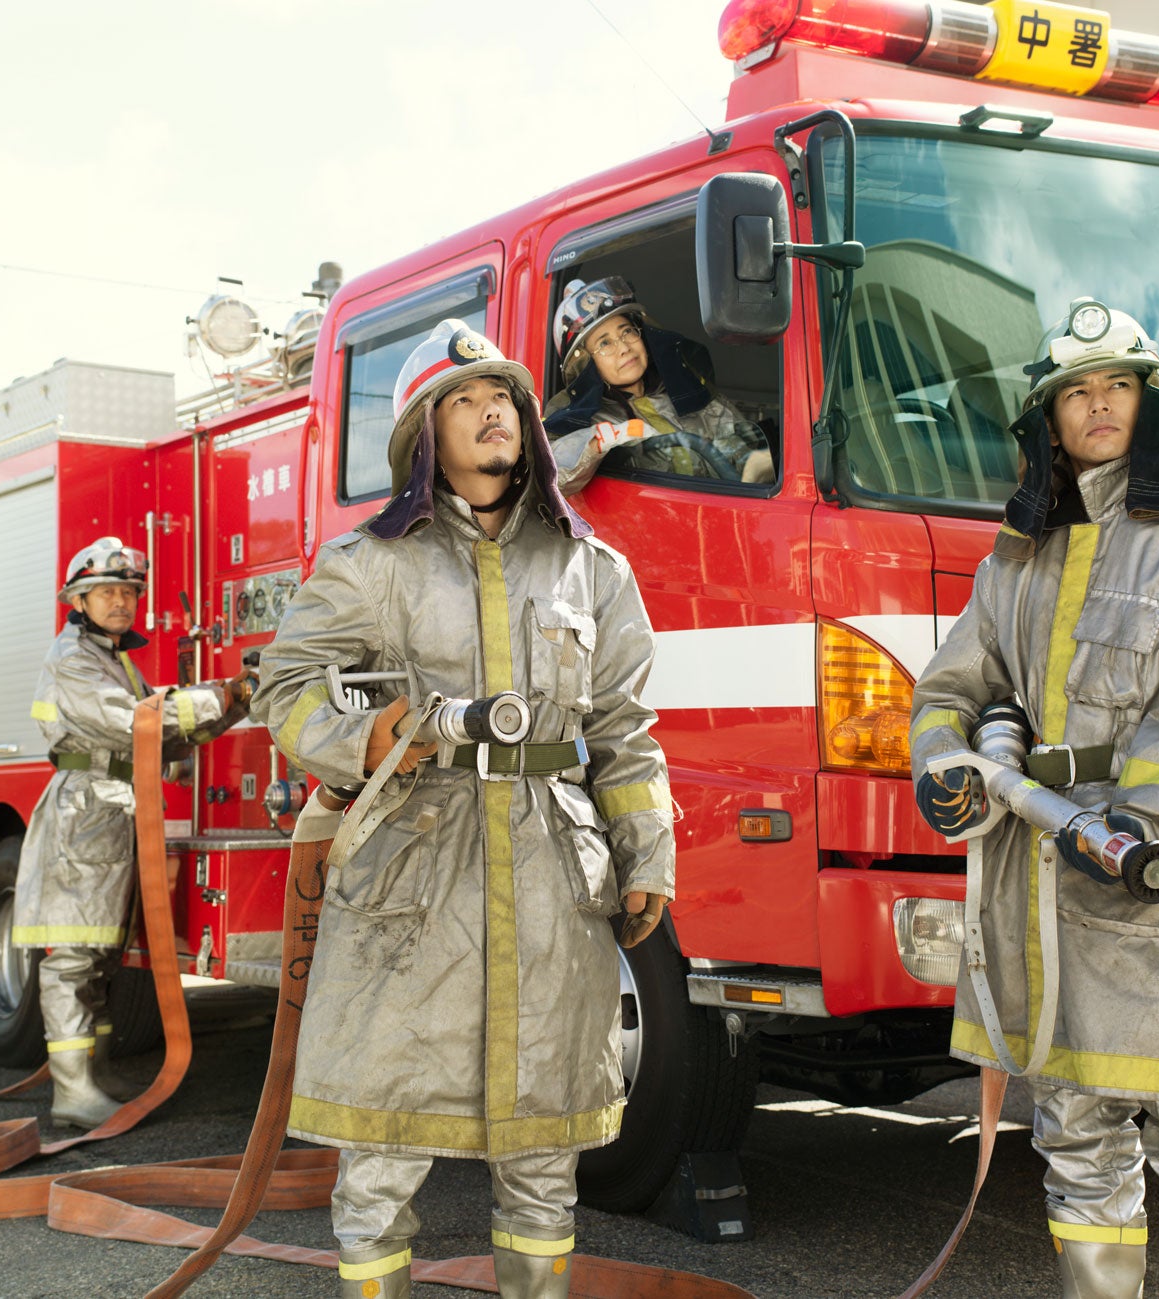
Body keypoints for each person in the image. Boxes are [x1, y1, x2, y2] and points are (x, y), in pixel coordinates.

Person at [250, 319, 675, 1299]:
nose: (492, 412)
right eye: (463, 400)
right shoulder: (370, 564)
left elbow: (623, 726)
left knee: (542, 1156)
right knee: (380, 1148)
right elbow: (287, 687)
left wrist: (646, 853)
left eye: (504, 399)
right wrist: (377, 733)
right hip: (412, 873)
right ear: (422, 437)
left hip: (552, 882)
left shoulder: (593, 572)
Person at [908, 299, 1159, 1299]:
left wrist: (1138, 825)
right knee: (1075, 1136)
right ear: (1049, 419)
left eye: (1113, 387)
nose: (1093, 407)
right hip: (1032, 894)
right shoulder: (1019, 557)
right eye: (1073, 393)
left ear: (1151, 403)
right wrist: (944, 767)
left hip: (1147, 894)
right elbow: (953, 685)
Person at [13, 537, 253, 1128]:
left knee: (101, 956)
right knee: (72, 955)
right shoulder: (73, 658)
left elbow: (164, 734)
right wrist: (218, 694)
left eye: (129, 592)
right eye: (108, 592)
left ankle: (93, 1073)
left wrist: (236, 703)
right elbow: (134, 723)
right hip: (85, 808)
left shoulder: (114, 657)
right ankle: (71, 1092)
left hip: (112, 808)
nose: (121, 602)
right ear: (79, 599)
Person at [543, 275, 773, 492]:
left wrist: (756, 464)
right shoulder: (586, 425)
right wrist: (595, 444)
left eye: (627, 332)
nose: (624, 348)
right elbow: (551, 476)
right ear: (586, 365)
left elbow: (741, 451)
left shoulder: (689, 395)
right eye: (605, 344)